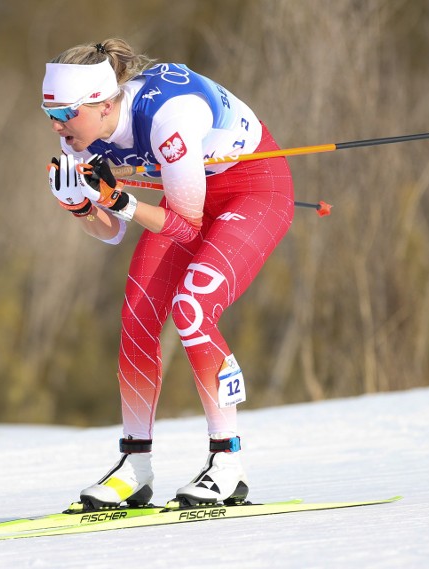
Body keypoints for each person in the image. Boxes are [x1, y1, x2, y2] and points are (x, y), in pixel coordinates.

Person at [41, 38, 293, 509]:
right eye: (48, 112)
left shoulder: (167, 119)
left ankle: (228, 464)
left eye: (66, 113)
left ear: (102, 103)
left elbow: (186, 226)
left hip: (253, 192)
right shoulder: (74, 131)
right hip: (186, 200)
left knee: (192, 308)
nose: (57, 125)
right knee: (137, 315)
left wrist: (120, 200)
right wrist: (78, 205)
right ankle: (134, 466)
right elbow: (112, 232)